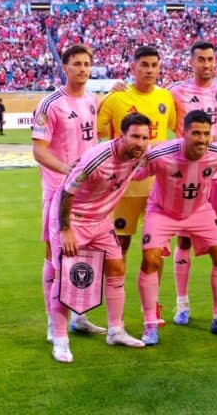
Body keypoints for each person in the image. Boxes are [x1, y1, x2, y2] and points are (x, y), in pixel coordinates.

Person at [46, 112, 153, 363]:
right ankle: (60, 340)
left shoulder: (140, 155)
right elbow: (66, 193)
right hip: (73, 220)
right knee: (66, 279)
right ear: (121, 136)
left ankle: (115, 331)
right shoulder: (98, 159)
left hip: (101, 222)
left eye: (145, 137)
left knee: (116, 267)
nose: (140, 142)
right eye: (135, 137)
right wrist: (65, 230)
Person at [135, 111, 217, 345]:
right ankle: (150, 323)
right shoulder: (162, 155)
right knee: (151, 259)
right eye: (196, 133)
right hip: (162, 210)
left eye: (206, 134)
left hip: (199, 210)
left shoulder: (216, 154)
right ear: (184, 133)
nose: (202, 139)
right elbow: (135, 174)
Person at [167, 41, 217, 324]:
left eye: (211, 59)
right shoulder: (176, 93)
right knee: (184, 238)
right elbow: (152, 107)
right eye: (200, 59)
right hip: (187, 176)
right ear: (191, 62)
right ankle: (182, 305)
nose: (206, 64)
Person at [32, 44, 105, 343]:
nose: (83, 69)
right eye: (76, 63)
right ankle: (53, 321)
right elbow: (38, 151)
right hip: (57, 191)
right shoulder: (50, 104)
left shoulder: (91, 101)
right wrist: (67, 170)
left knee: (84, 254)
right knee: (54, 256)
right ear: (64, 67)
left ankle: (79, 316)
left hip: (88, 194)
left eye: (87, 63)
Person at [97, 46, 177, 258]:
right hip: (123, 185)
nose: (149, 70)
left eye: (154, 65)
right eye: (144, 65)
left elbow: (175, 129)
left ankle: (153, 293)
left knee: (156, 250)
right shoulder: (116, 98)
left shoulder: (166, 97)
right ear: (134, 67)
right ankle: (115, 291)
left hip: (157, 186)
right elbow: (94, 130)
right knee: (118, 245)